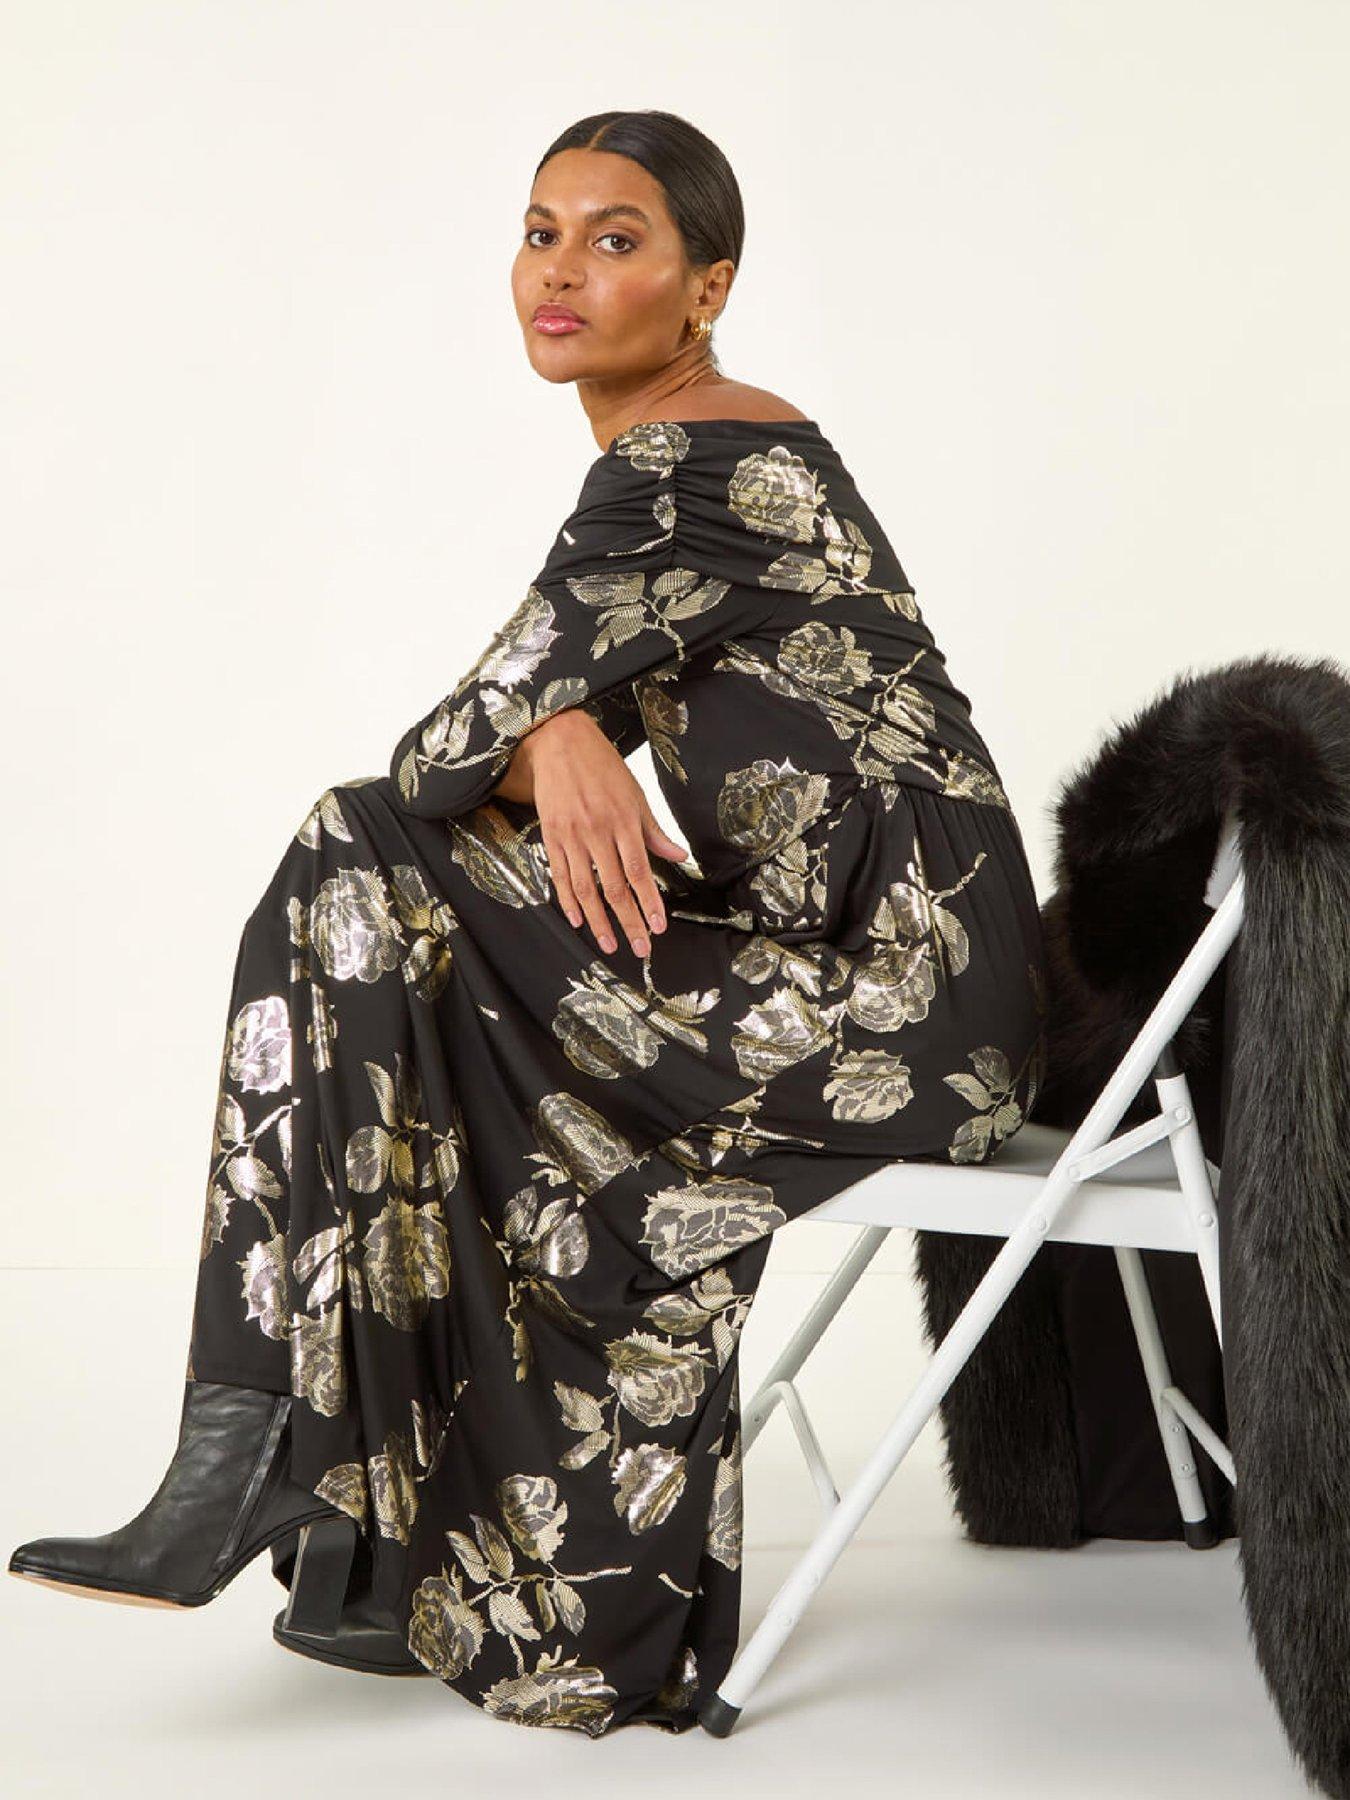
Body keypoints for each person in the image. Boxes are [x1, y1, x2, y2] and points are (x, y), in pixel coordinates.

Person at [9, 108, 1048, 1736]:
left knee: (358, 840)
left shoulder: (690, 463)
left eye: (614, 240)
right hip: (861, 980)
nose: (559, 271)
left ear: (707, 288)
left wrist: (547, 721)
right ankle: (315, 1488)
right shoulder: (689, 466)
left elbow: (441, 756)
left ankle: (277, 1450)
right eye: (538, 231)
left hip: (894, 1004)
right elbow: (509, 739)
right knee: (385, 895)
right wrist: (558, 725)